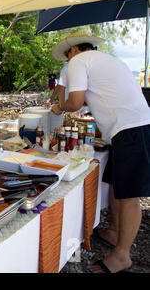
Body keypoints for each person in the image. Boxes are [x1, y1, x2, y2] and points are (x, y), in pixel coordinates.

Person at [50, 33, 150, 273]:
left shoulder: (78, 61)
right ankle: (115, 232)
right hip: (127, 127)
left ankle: (122, 256)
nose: (67, 59)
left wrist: (58, 106)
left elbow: (74, 104)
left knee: (129, 196)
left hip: (130, 128)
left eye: (67, 55)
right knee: (117, 184)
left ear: (73, 50)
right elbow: (90, 99)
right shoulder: (106, 59)